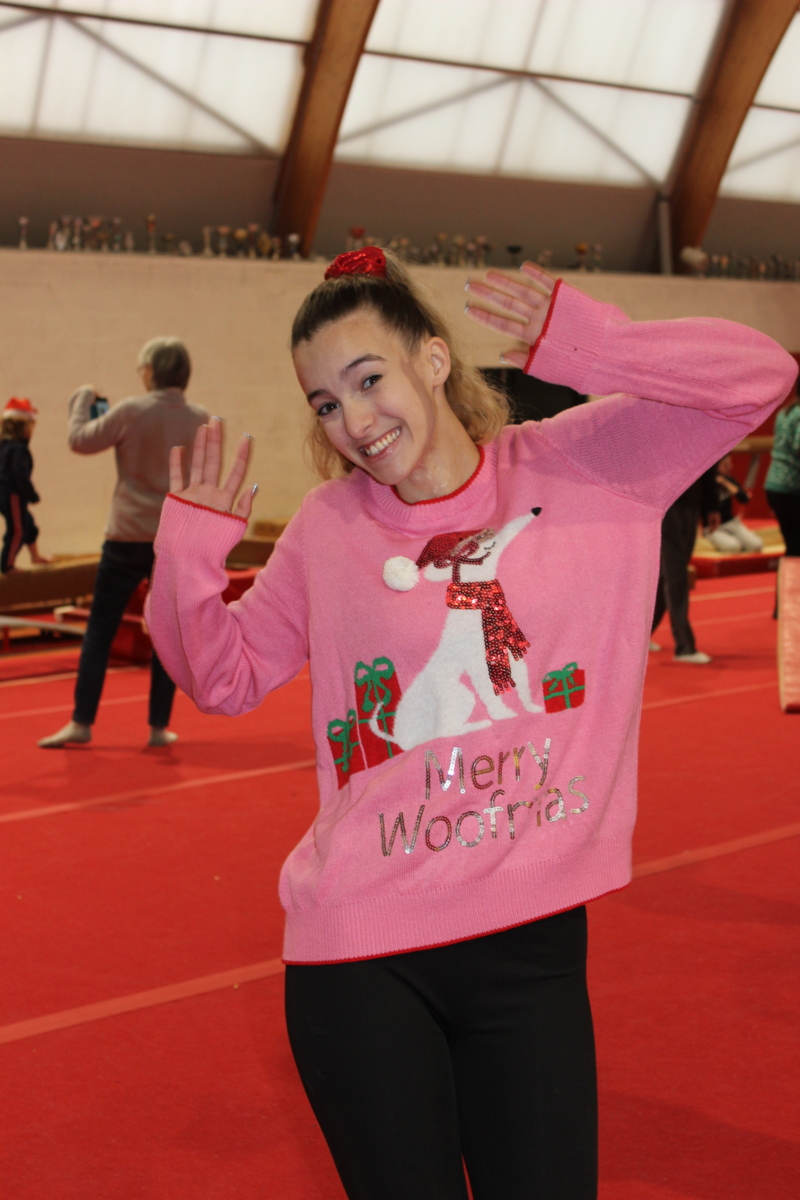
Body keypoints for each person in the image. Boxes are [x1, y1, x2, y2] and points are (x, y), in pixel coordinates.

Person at [145, 249, 797, 1200]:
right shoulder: (330, 528)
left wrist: (587, 340)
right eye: (325, 403)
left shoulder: (582, 464)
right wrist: (187, 556)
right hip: (360, 959)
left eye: (368, 379)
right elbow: (223, 677)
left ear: (434, 358)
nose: (355, 421)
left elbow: (761, 377)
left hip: (531, 952)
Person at [39, 338, 207, 749]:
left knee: (101, 629)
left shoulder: (132, 411)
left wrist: (82, 398)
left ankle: (81, 721)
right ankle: (158, 727)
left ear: (151, 371)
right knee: (165, 634)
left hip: (126, 535)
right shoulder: (200, 419)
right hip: (171, 537)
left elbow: (80, 439)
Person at [649, 466, 720, 663]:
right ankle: (684, 646)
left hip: (690, 501)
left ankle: (641, 635)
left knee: (669, 574)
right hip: (664, 503)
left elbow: (707, 463)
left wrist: (712, 506)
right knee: (676, 573)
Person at [0, 397, 51, 572]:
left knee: (28, 523)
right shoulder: (17, 449)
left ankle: (35, 556)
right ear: (22, 427)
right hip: (11, 493)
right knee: (17, 530)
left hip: (10, 493)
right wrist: (32, 494)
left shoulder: (6, 446)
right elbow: (18, 475)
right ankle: (7, 565)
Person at [765, 380, 800, 558]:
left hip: (774, 483)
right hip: (790, 486)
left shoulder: (785, 412)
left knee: (792, 545)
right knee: (796, 547)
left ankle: (787, 575)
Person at [706, 454, 763, 553]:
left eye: (730, 464)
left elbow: (744, 498)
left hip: (731, 523)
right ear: (717, 466)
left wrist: (725, 483)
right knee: (733, 547)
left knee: (756, 545)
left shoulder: (729, 480)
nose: (730, 467)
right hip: (713, 527)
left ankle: (735, 539)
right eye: (726, 465)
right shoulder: (708, 484)